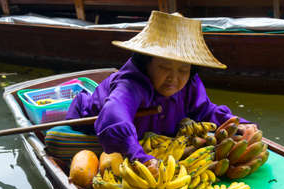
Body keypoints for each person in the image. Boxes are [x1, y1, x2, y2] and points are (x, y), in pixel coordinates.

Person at [66, 11, 257, 175]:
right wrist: (139, 157)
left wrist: (239, 124)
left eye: (183, 69)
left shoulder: (190, 82)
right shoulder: (131, 84)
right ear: (146, 62)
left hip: (154, 138)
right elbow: (114, 116)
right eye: (165, 67)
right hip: (97, 129)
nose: (174, 78)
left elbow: (205, 111)